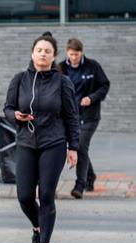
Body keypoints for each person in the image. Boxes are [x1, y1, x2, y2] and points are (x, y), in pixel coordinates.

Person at [4, 32, 80, 243]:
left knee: (46, 193)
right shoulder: (19, 79)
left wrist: (73, 147)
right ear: (32, 53)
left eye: (48, 51)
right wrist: (15, 115)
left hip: (54, 143)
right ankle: (37, 226)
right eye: (39, 50)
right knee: (25, 195)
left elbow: (71, 116)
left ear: (54, 56)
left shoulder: (62, 82)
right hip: (27, 142)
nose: (43, 54)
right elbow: (7, 108)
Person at [59, 38, 110, 199]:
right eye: (71, 54)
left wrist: (92, 98)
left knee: (80, 146)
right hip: (71, 116)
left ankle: (79, 186)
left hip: (89, 116)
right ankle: (90, 176)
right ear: (67, 53)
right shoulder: (60, 68)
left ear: (82, 52)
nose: (74, 57)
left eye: (77, 54)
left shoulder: (92, 66)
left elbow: (104, 85)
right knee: (81, 148)